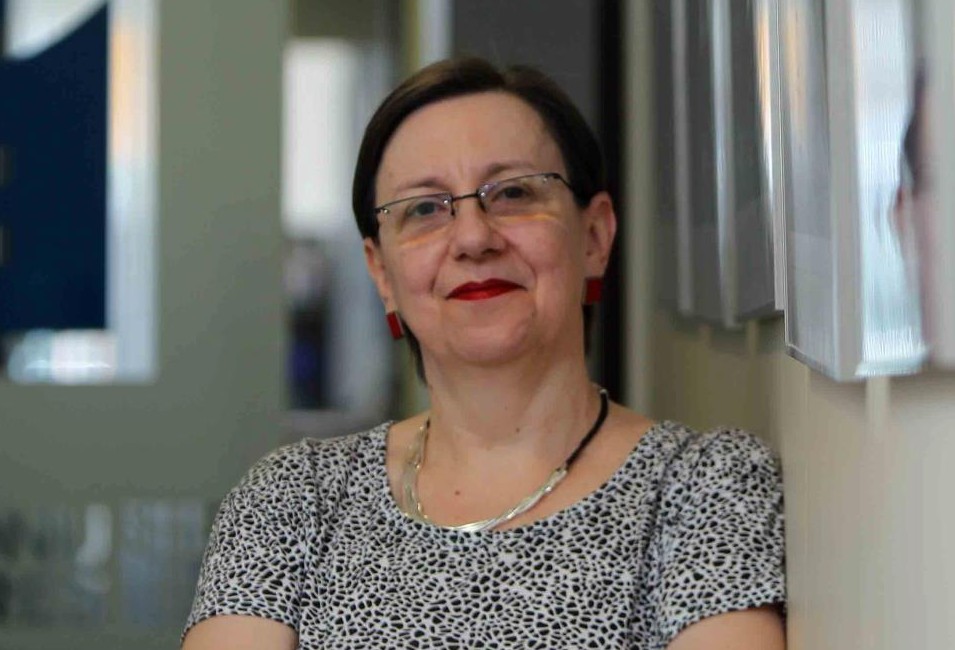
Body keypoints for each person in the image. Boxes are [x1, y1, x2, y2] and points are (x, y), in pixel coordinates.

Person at [181, 57, 786, 649]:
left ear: (595, 236)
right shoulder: (293, 499)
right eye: (424, 208)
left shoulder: (703, 488)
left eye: (513, 193)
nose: (473, 238)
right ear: (381, 272)